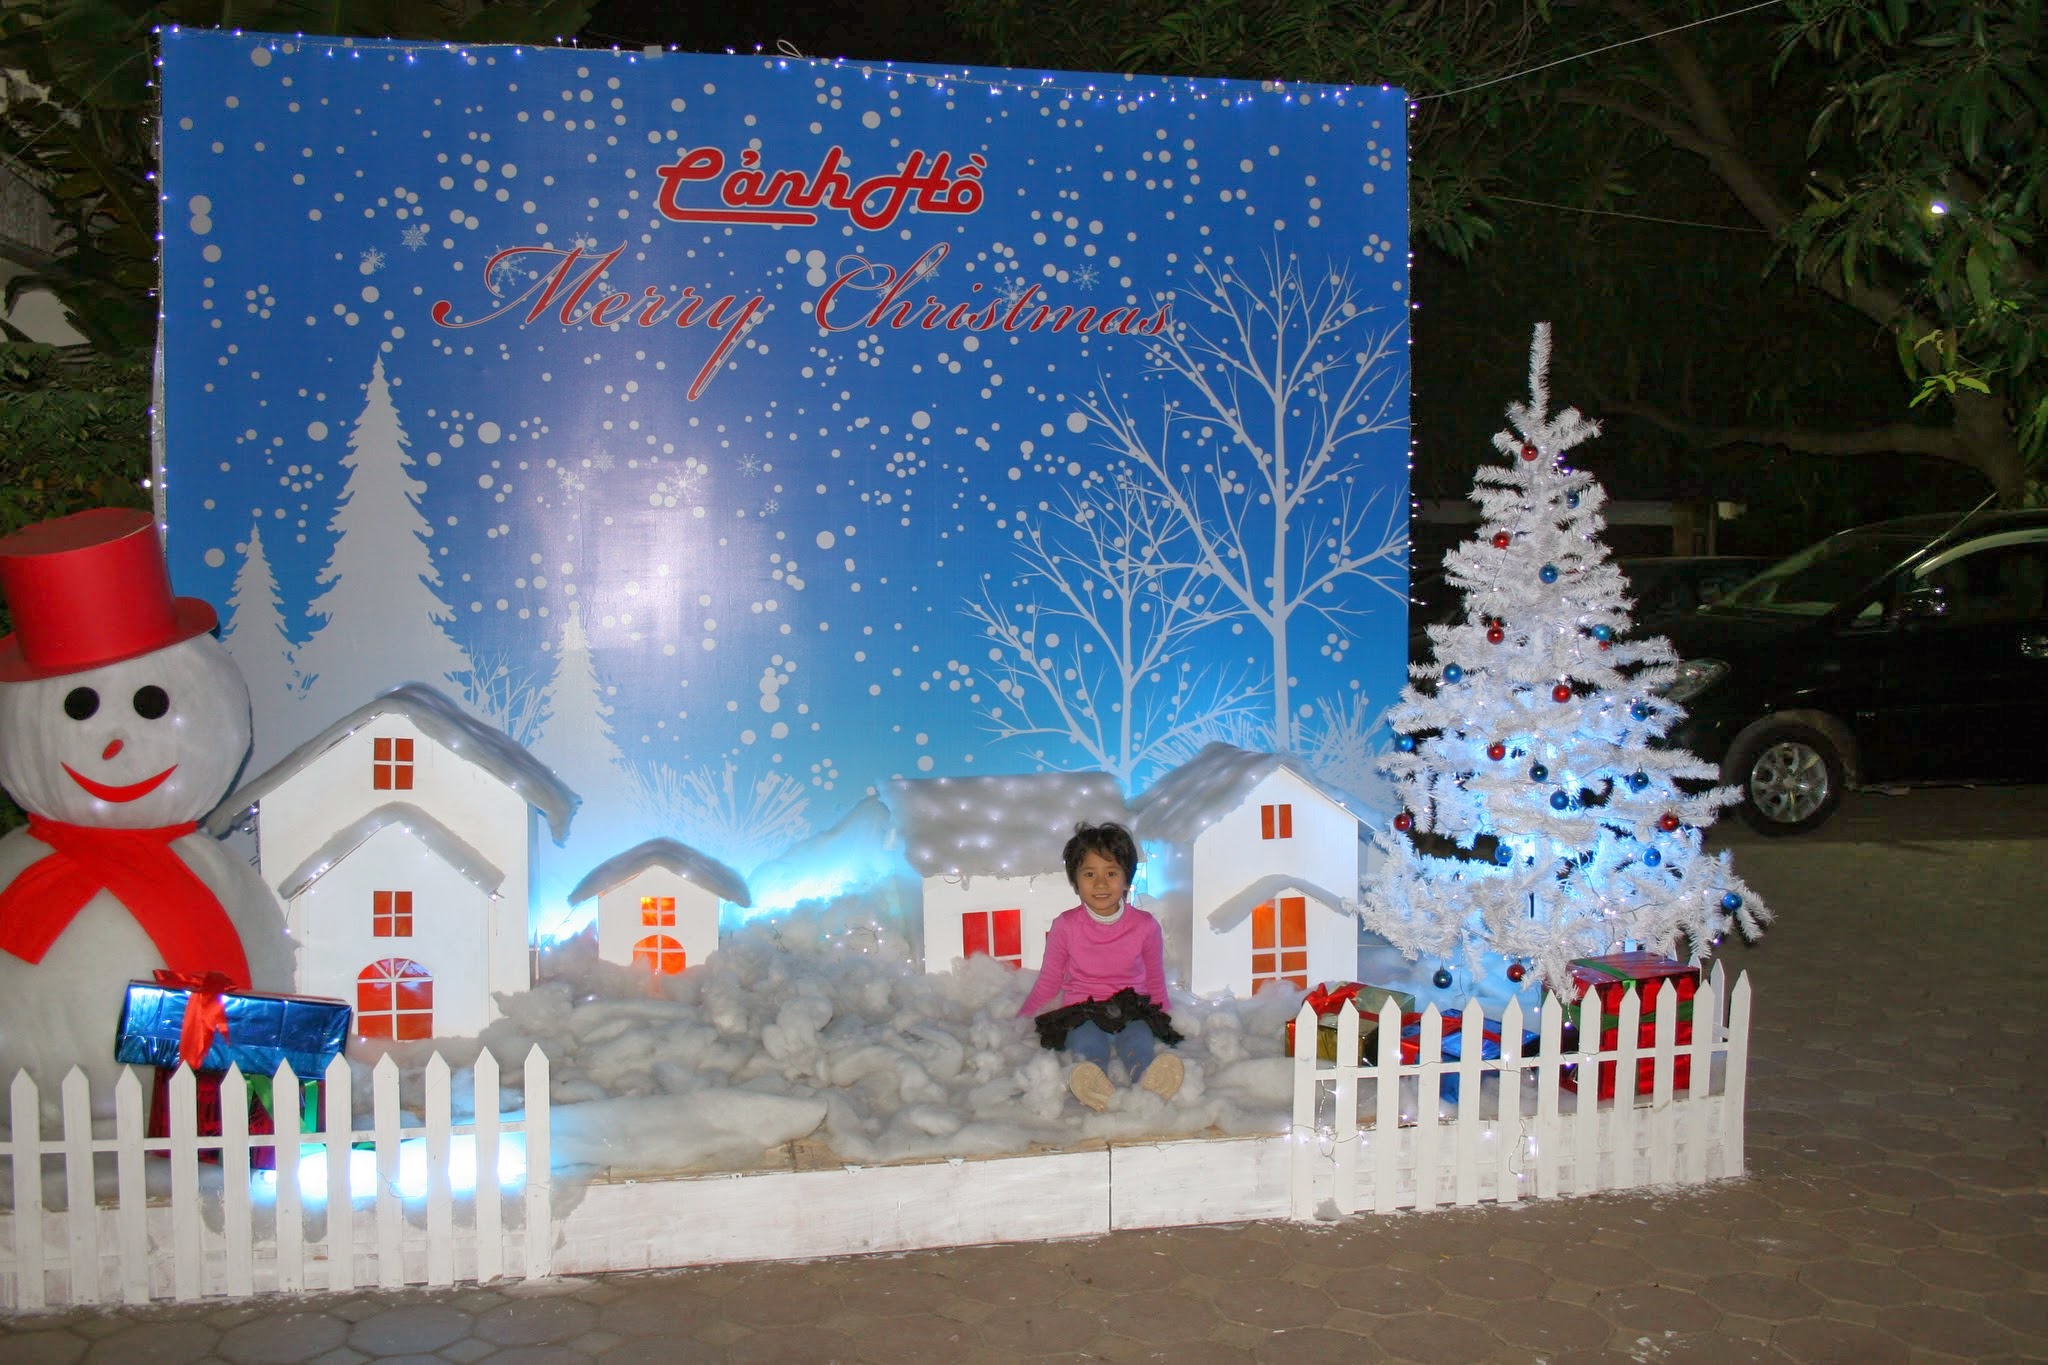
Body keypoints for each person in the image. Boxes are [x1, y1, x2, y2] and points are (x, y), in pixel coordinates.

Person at [1017, 821, 1184, 1111]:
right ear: (1075, 881)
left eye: (1111, 873)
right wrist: (1021, 1020)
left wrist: (1166, 1019)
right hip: (1083, 1009)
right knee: (1087, 1043)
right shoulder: (1066, 925)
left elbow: (1155, 979)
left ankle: (1147, 1079)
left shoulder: (1145, 926)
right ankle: (1093, 1084)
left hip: (1131, 1007)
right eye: (1089, 874)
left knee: (1138, 1040)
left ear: (1127, 879)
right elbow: (1050, 980)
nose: (1101, 883)